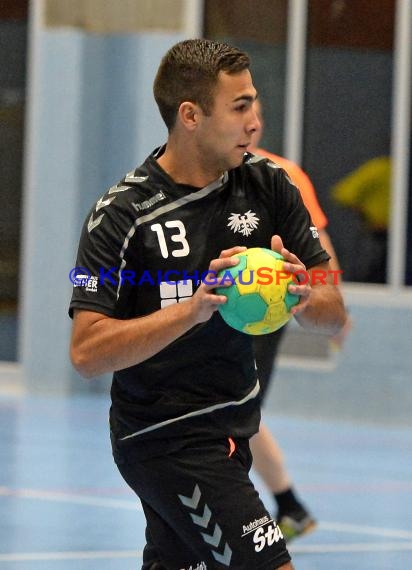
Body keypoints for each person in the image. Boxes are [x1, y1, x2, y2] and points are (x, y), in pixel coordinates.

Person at [69, 39, 346, 570]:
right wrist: (193, 309)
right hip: (164, 438)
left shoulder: (270, 187)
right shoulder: (122, 215)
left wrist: (306, 295)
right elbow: (86, 352)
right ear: (190, 115)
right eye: (239, 107)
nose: (254, 122)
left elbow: (333, 307)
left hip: (232, 429)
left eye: (255, 104)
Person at [248, 100, 346, 542]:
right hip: (211, 309)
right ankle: (289, 505)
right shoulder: (206, 174)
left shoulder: (283, 175)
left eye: (257, 113)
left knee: (237, 408)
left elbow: (317, 244)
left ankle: (280, 508)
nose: (252, 122)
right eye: (240, 110)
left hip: (263, 311)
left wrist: (332, 305)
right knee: (240, 411)